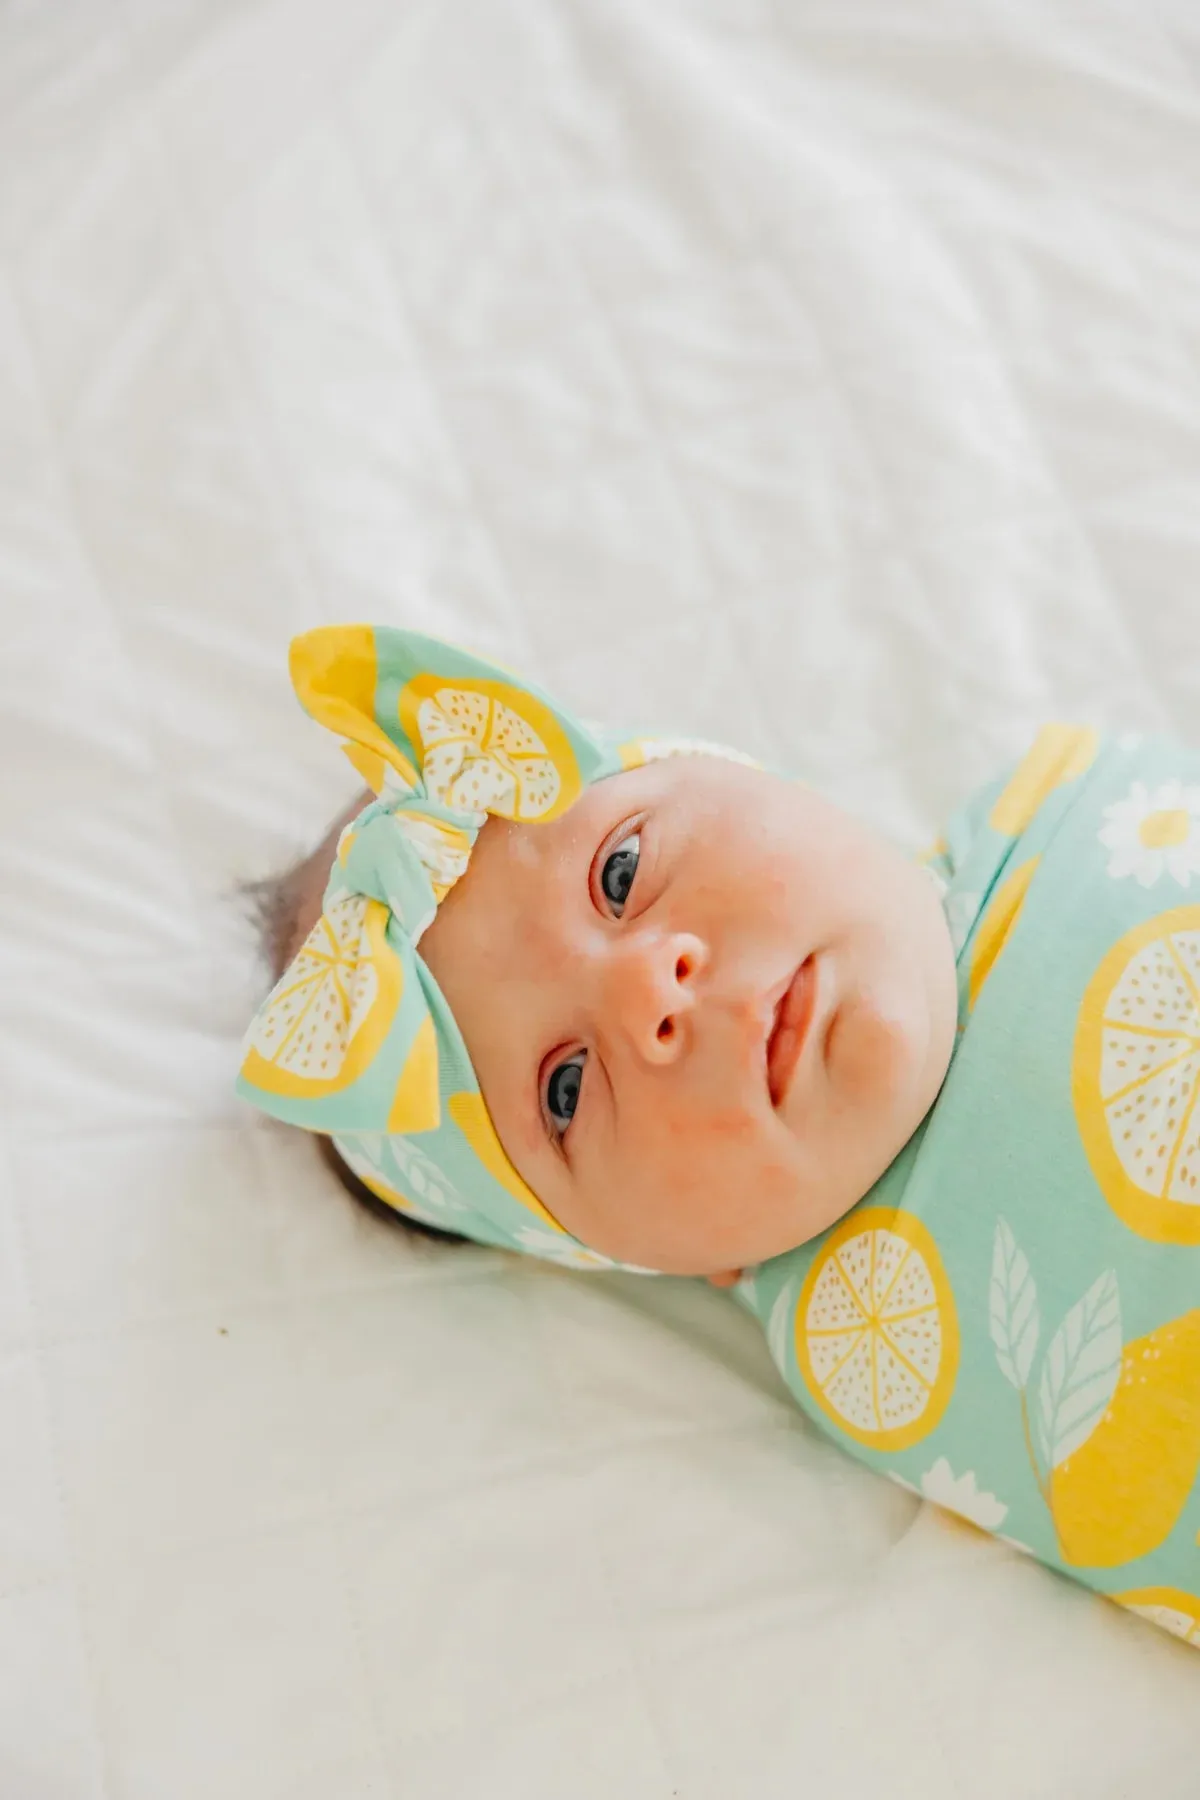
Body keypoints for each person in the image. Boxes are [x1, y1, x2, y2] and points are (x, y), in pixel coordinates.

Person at [240, 622, 1200, 1653]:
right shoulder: (869, 1354)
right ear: (640, 1253)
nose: (649, 989)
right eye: (564, 1090)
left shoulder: (1077, 806)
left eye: (618, 874)